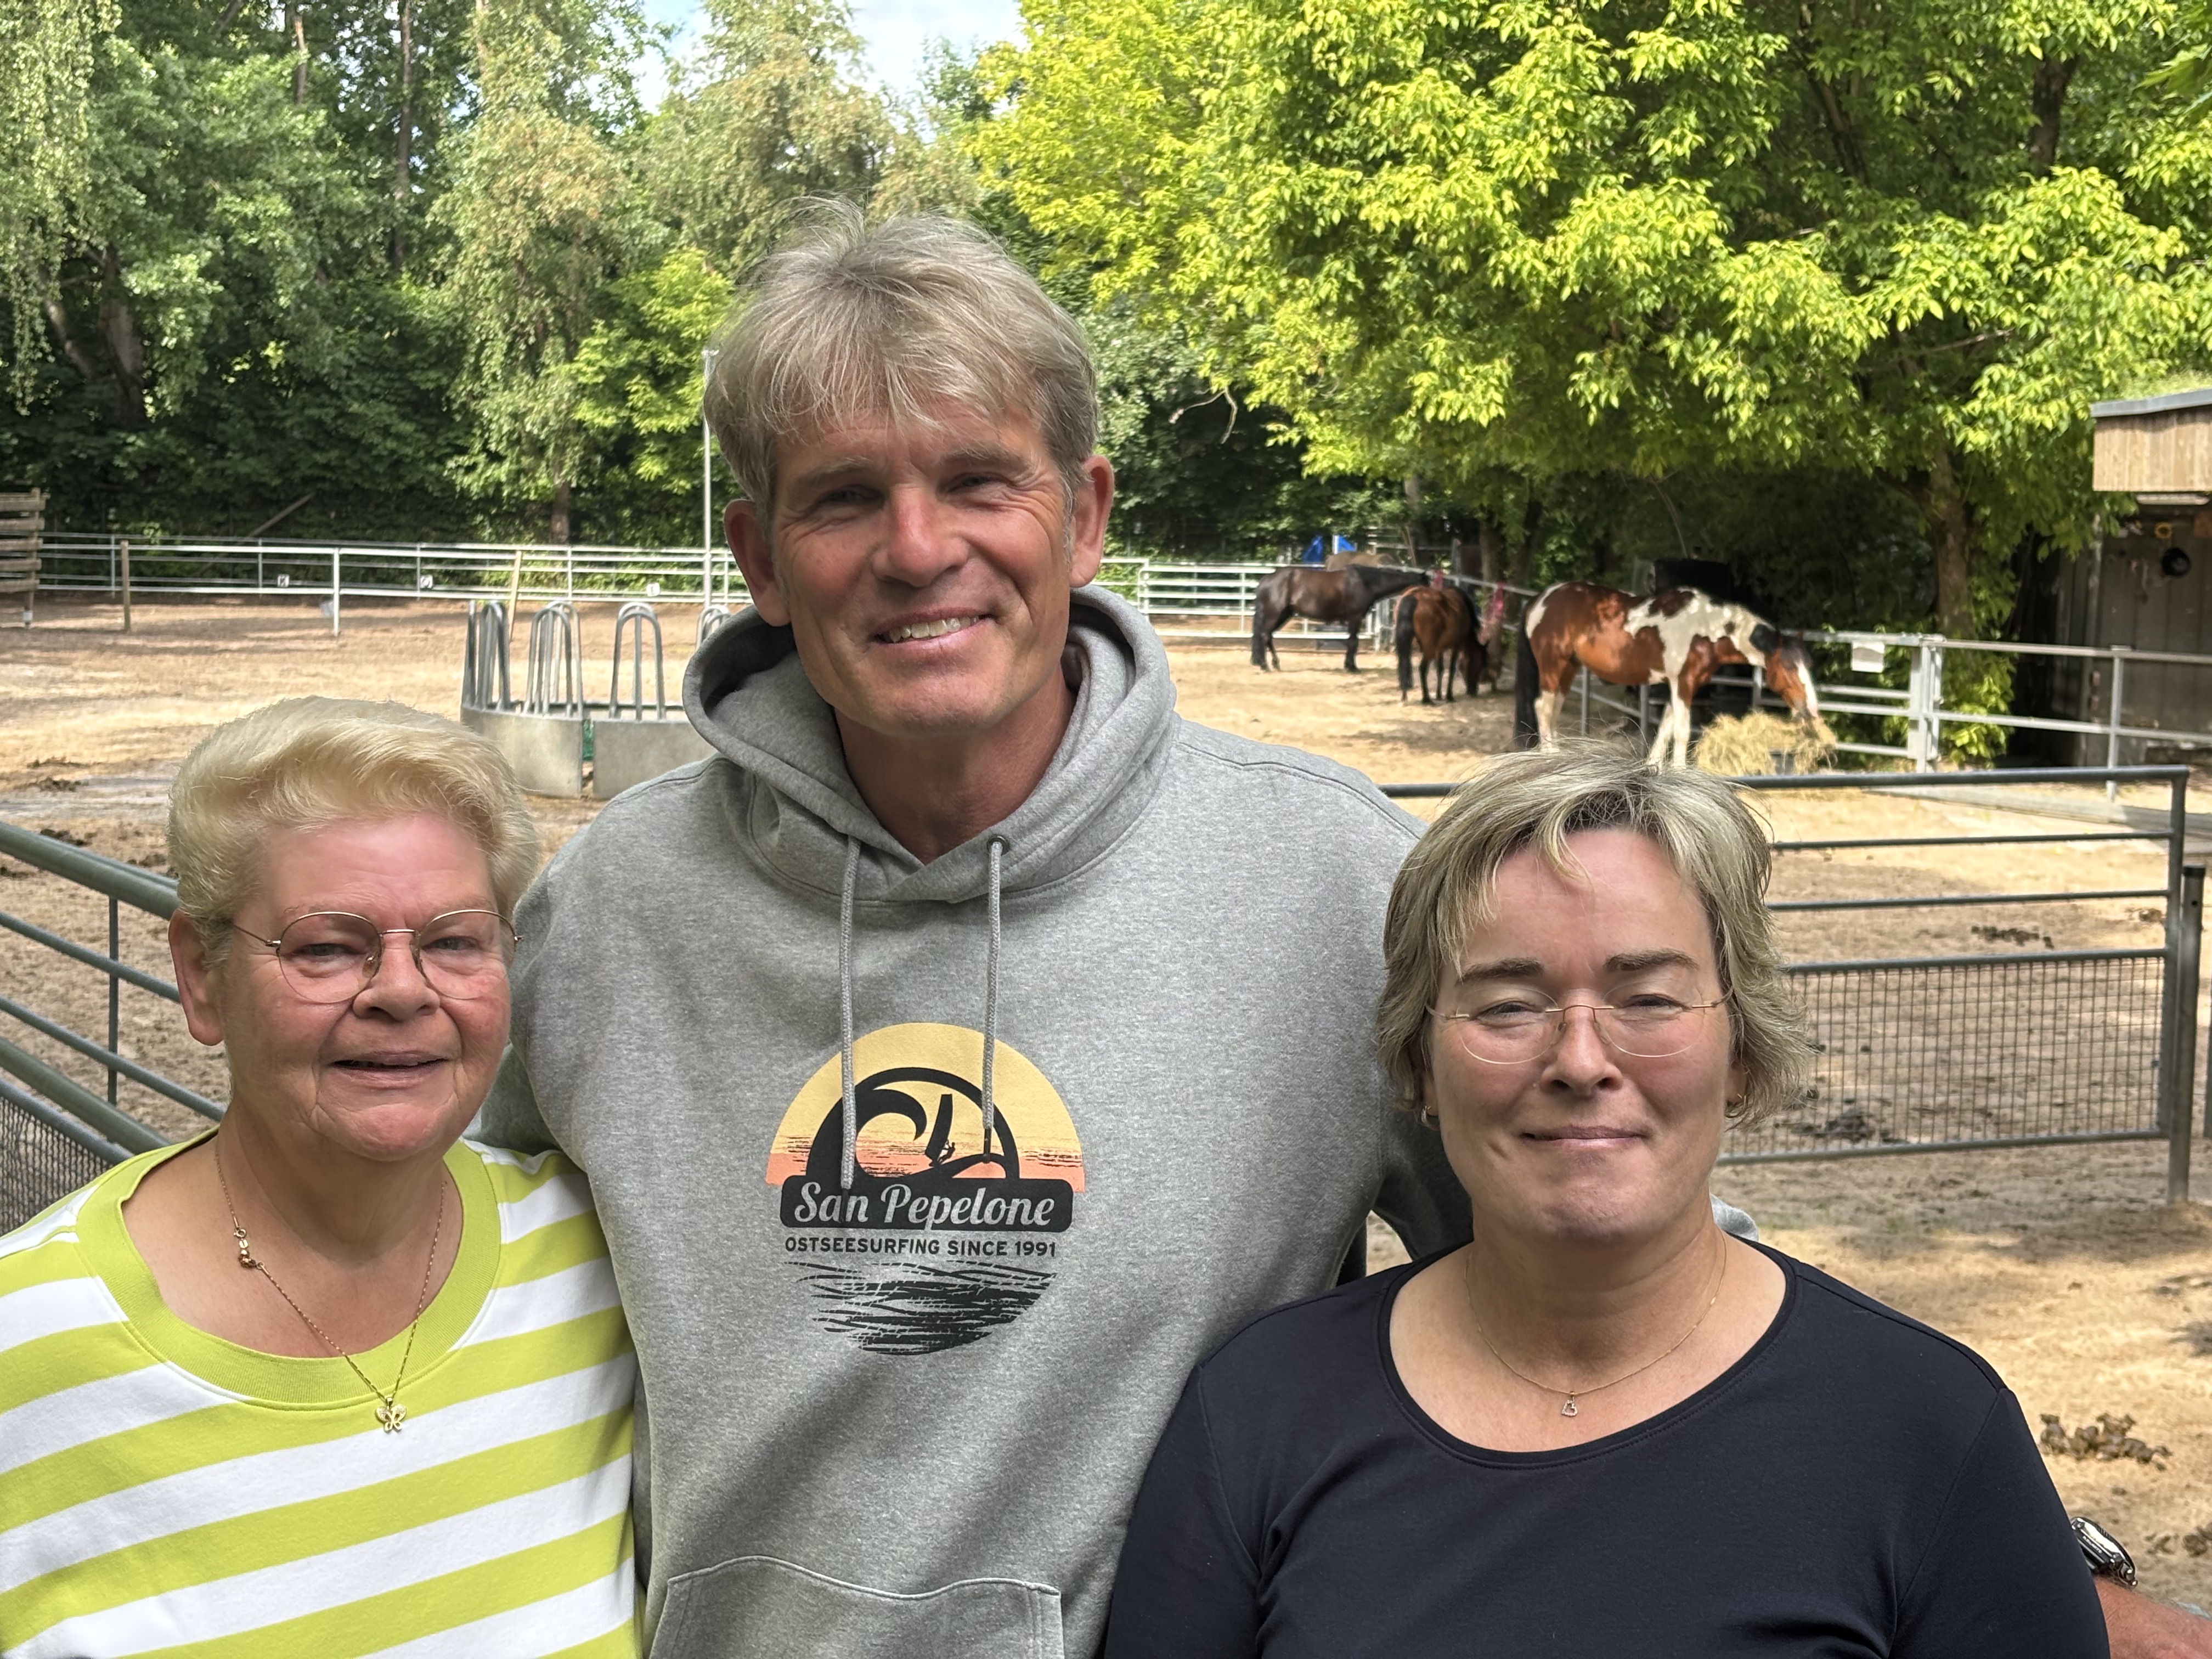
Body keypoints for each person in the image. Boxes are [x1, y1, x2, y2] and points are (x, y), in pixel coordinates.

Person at [475, 206, 1498, 1657]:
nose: (916, 548)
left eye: (977, 480)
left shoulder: (1334, 883)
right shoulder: (615, 914)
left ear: (1082, 516)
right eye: (843, 499)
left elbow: (1600, 1276)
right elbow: (432, 1292)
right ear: (762, 560)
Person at [1102, 741, 2108, 1656]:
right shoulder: (1257, 1418)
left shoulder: (1926, 1430)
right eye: (1507, 1004)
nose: (1581, 1059)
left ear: (1743, 1052)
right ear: (1417, 1064)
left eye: (1649, 999)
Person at [0, 699, 638, 1657]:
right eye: (327, 947)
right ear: (201, 976)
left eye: (455, 940)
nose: (401, 990)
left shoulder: (601, 1263)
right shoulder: (30, 1348)